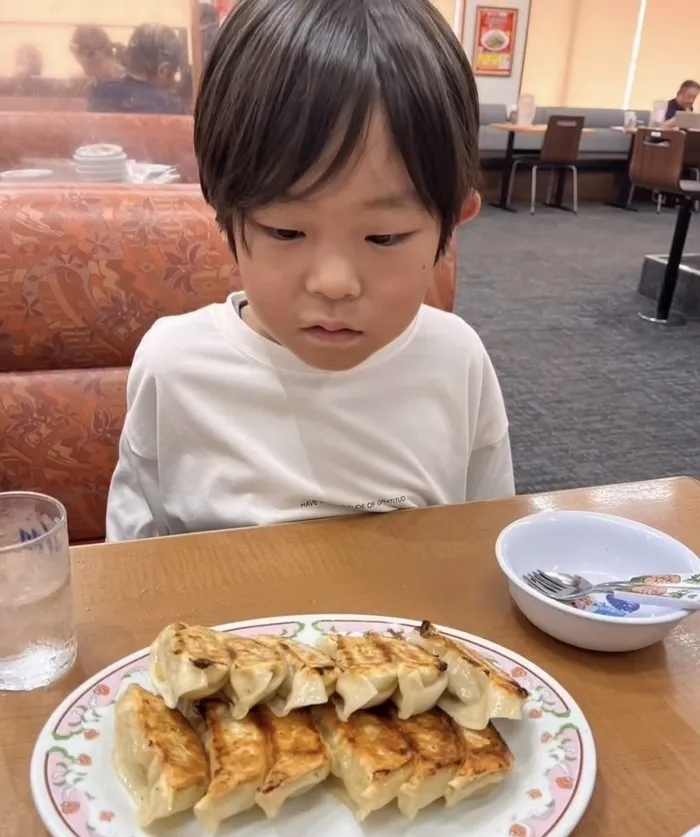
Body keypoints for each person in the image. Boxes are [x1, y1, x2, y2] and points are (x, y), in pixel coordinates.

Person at [106, 0, 514, 542]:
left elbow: (486, 545)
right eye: (285, 231)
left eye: (384, 237)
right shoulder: (175, 365)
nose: (334, 283)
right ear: (224, 210)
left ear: (452, 223)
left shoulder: (456, 360)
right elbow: (132, 564)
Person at [87, 24, 185, 115]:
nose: (175, 83)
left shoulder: (101, 95)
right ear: (163, 71)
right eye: (175, 72)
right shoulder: (169, 107)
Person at [70, 25, 125, 110]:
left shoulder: (104, 92)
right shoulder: (99, 83)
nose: (80, 65)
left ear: (96, 55)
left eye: (81, 62)